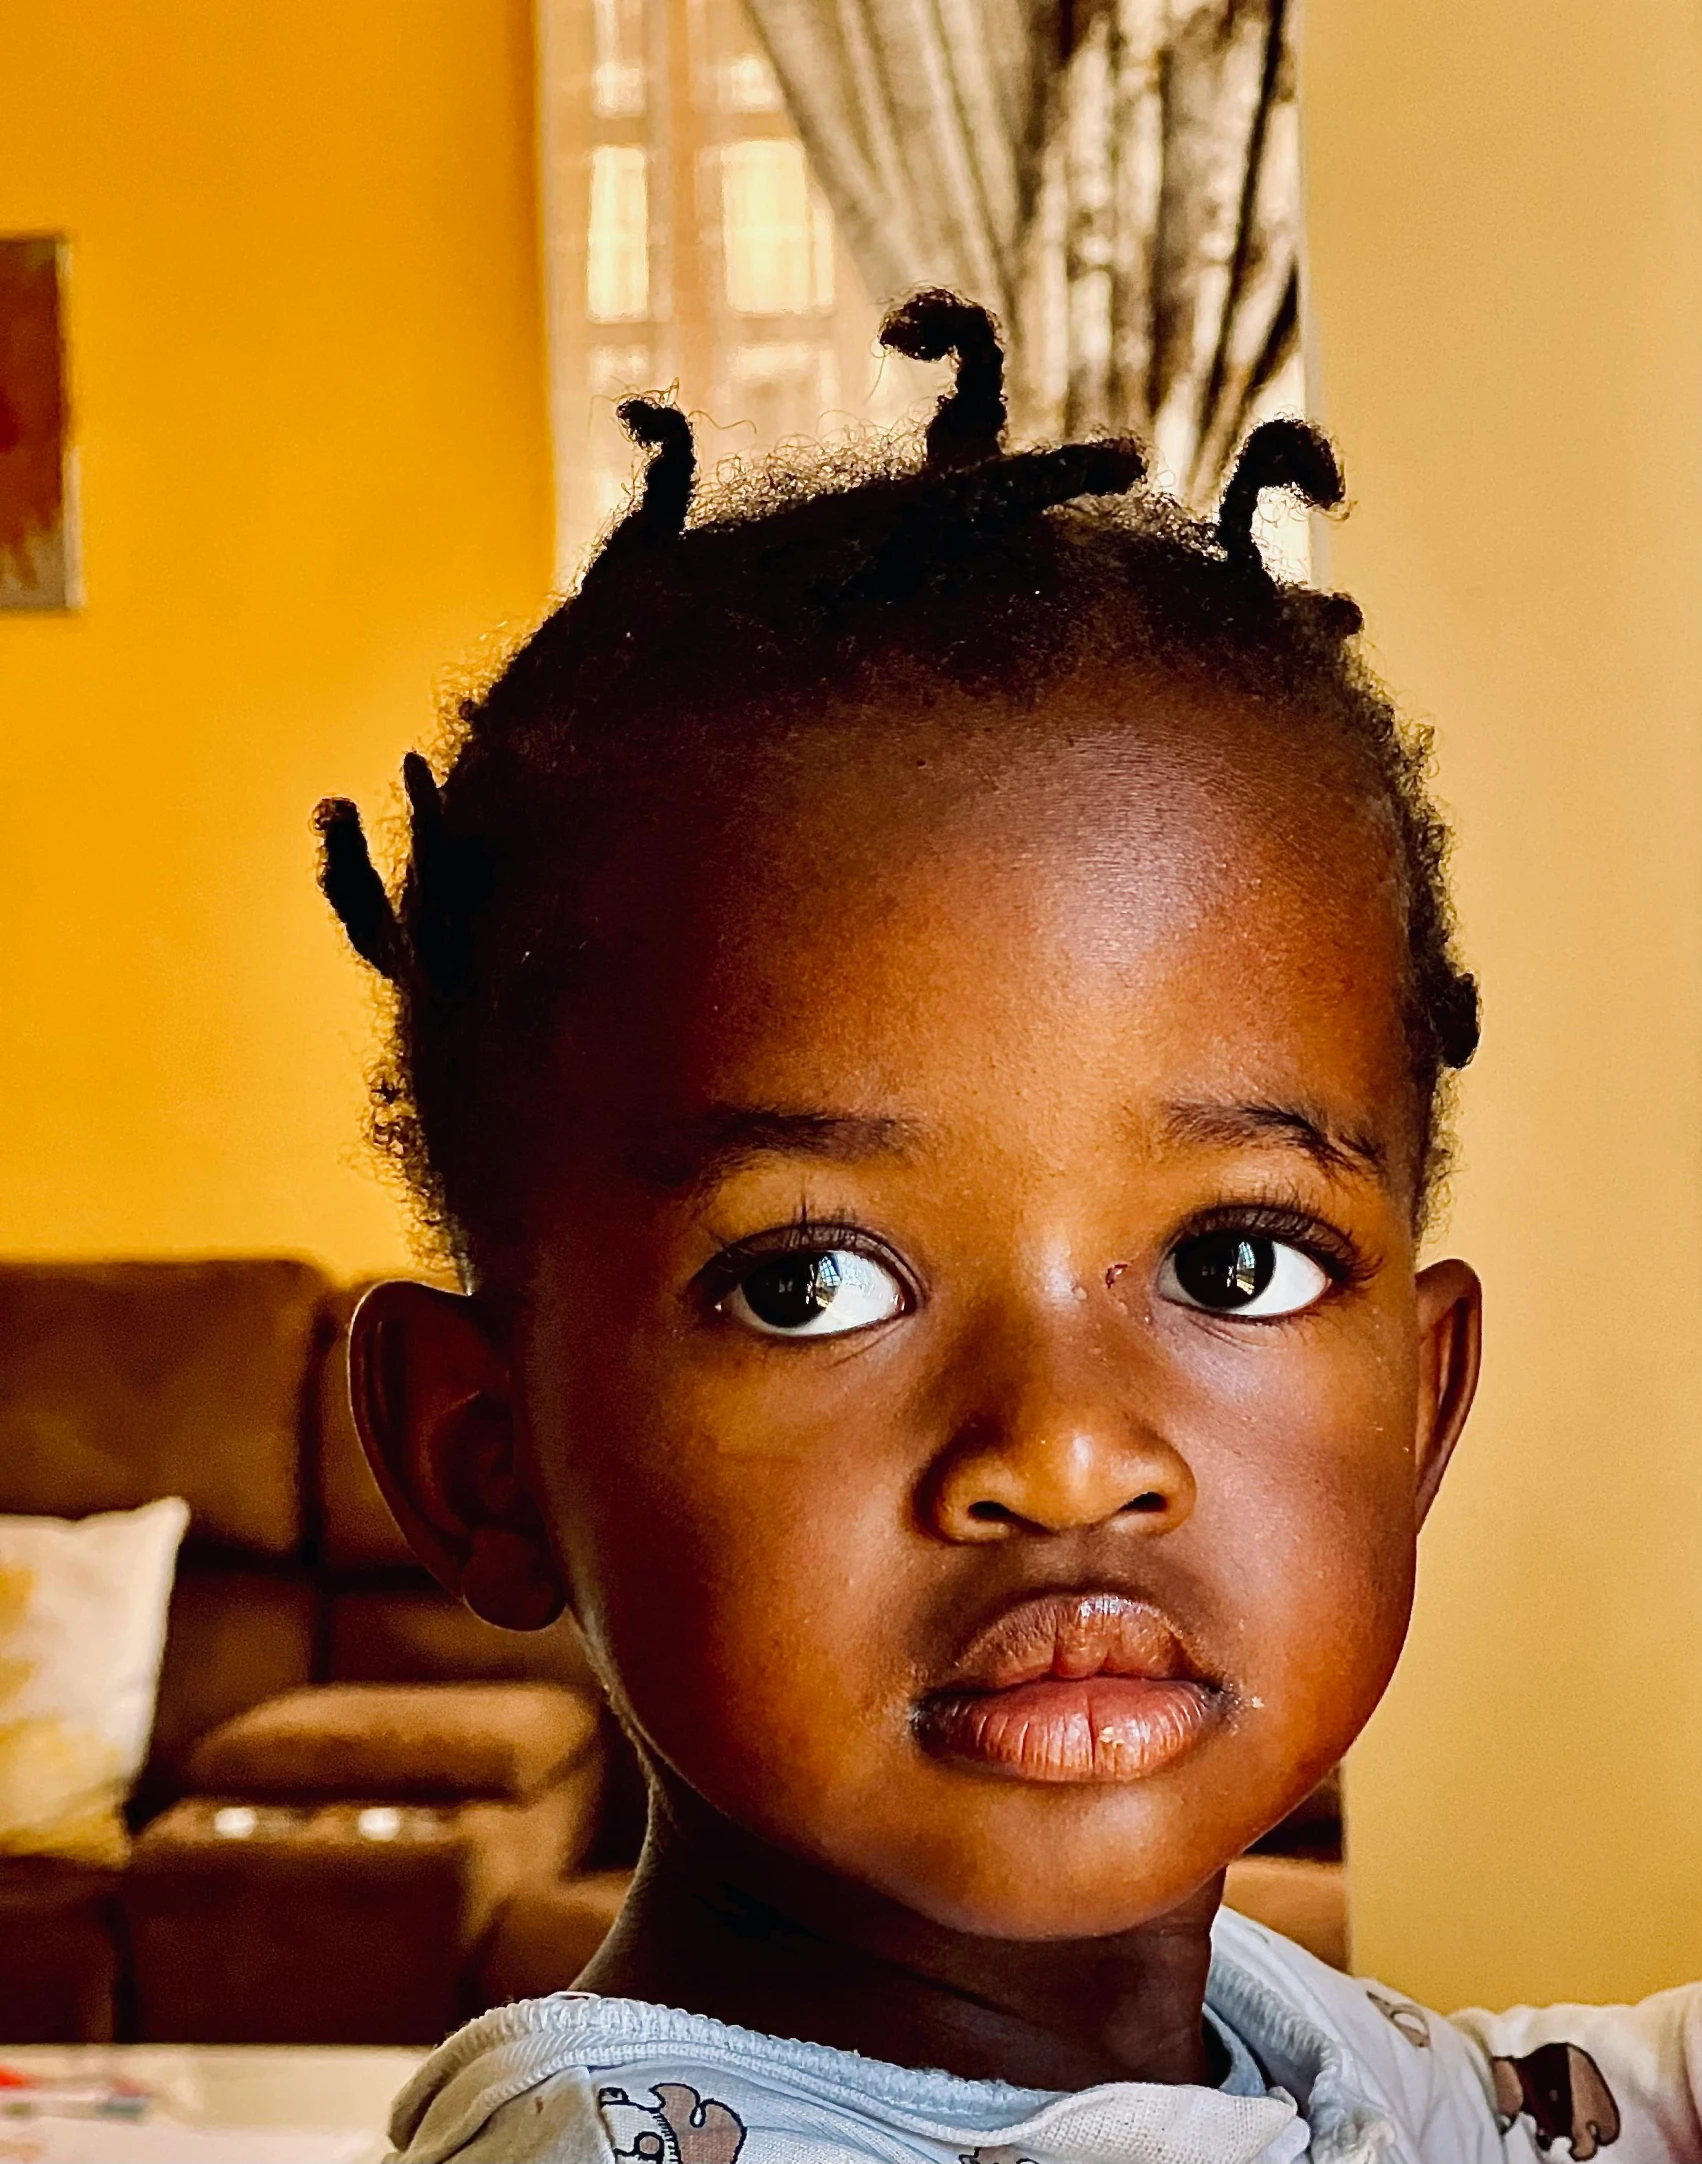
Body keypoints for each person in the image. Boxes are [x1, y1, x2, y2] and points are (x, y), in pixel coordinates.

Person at [314, 294, 1693, 2163]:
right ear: (486, 1459)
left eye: (1236, 1263)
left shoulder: (1284, 2047)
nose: (1059, 1452)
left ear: (1420, 1401)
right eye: (810, 1283)